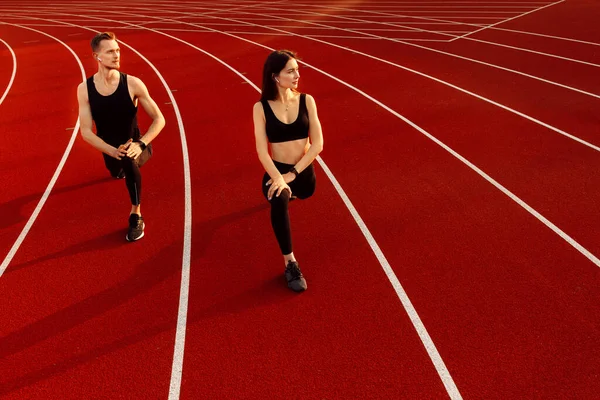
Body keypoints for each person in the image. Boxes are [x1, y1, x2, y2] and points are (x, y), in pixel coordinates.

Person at [77, 32, 165, 241]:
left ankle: (136, 214)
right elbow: (86, 132)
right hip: (110, 151)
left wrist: (141, 144)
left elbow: (159, 119)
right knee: (118, 168)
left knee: (128, 159)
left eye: (117, 50)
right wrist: (111, 151)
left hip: (137, 145)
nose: (116, 55)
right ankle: (120, 163)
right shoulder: (85, 90)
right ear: (97, 56)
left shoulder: (133, 84)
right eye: (110, 52)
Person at [253, 50, 324, 292]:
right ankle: (290, 262)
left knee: (292, 190)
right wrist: (278, 178)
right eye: (290, 71)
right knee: (278, 198)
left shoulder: (307, 101)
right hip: (276, 170)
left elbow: (318, 144)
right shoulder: (260, 108)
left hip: (302, 174)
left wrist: (291, 175)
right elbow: (262, 152)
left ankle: (289, 189)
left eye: (297, 69)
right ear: (275, 76)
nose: (297, 75)